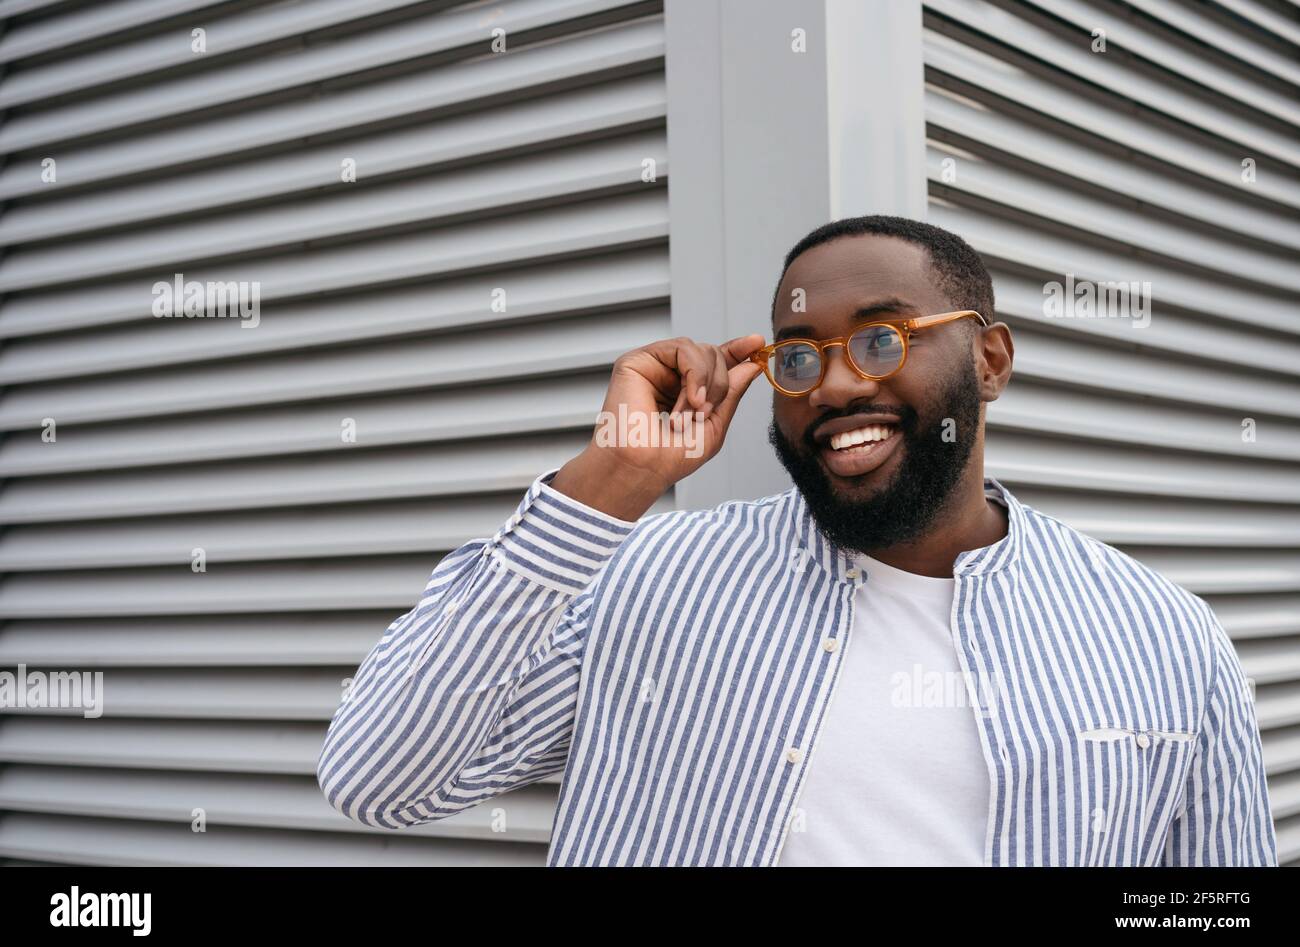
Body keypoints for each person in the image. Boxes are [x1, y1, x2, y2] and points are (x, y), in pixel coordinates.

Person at [317, 215, 1277, 867]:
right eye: (799, 354)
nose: (835, 387)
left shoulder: (1162, 638)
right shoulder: (652, 580)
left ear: (989, 360)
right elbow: (379, 781)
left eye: (882, 339)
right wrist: (611, 479)